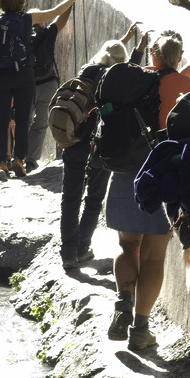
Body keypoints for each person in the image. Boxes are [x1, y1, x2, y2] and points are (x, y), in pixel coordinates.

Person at [99, 26, 163, 352]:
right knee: (153, 257)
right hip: (157, 177)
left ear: (153, 55)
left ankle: (123, 302)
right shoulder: (166, 86)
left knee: (128, 247)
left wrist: (138, 47)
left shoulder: (125, 84)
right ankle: (141, 328)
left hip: (122, 172)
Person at [58, 35, 125, 271]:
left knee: (70, 198)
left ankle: (68, 253)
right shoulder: (119, 79)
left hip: (75, 140)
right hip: (100, 147)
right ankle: (82, 248)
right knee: (94, 199)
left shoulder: (86, 71)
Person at [23, 0, 83, 165]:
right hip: (49, 83)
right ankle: (32, 160)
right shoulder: (48, 32)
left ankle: (18, 157)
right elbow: (62, 18)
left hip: (27, 84)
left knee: (22, 122)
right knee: (41, 123)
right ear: (41, 21)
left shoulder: (21, 36)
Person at [0, 0, 34, 175]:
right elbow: (55, 13)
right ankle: (19, 159)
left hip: (1, 75)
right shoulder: (26, 19)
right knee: (22, 118)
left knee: (1, 119)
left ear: (0, 4)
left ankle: (1, 161)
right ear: (20, 1)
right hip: (23, 74)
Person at [150, 33, 190, 127]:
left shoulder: (141, 75)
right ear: (180, 56)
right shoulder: (188, 85)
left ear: (152, 53)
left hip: (139, 138)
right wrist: (181, 78)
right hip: (167, 139)